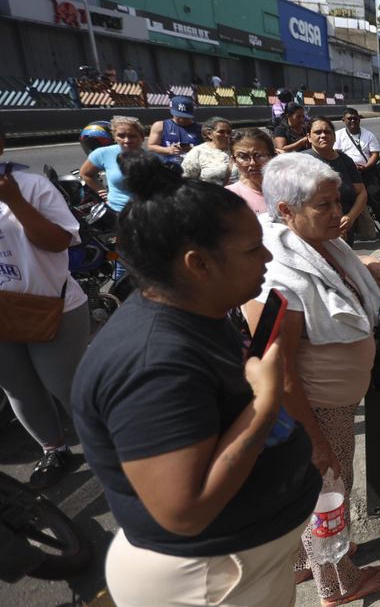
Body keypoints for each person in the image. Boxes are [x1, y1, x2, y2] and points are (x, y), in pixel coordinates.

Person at [71, 152, 321, 607]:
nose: (268, 256)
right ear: (198, 264)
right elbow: (184, 512)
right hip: (207, 583)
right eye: (252, 250)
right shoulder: (153, 365)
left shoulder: (198, 313)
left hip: (237, 571)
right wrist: (265, 403)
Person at [245, 154, 380, 606]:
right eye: (325, 205)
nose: (339, 213)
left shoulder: (316, 243)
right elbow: (277, 370)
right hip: (314, 411)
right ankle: (338, 584)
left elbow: (335, 274)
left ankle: (301, 561)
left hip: (333, 403)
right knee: (329, 490)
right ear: (285, 211)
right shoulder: (277, 280)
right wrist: (315, 442)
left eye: (338, 201)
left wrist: (370, 266)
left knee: (314, 491)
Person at [0, 124, 89, 489]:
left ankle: (109, 448)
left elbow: (58, 242)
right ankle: (54, 449)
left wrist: (15, 202)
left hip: (52, 307)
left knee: (66, 386)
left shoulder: (32, 186)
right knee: (18, 388)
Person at [302, 117, 367, 243]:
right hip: (314, 231)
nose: (323, 135)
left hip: (344, 228)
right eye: (317, 132)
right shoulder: (301, 161)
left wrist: (350, 217)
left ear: (334, 137)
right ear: (309, 137)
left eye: (327, 132)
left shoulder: (345, 160)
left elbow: (361, 192)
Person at [333, 107, 380, 239]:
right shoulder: (338, 135)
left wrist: (366, 166)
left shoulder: (368, 135)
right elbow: (335, 153)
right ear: (343, 120)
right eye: (349, 119)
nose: (352, 121)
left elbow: (374, 154)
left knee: (375, 194)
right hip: (347, 173)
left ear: (359, 119)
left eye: (355, 118)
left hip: (366, 170)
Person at [78, 115, 145, 213]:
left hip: (147, 213)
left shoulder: (153, 159)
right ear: (114, 137)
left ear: (142, 137)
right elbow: (85, 174)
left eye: (132, 136)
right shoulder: (103, 153)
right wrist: (101, 191)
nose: (126, 140)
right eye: (121, 136)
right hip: (117, 212)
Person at [226, 128, 277, 214]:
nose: (252, 163)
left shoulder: (288, 188)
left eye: (260, 155)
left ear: (272, 156)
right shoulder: (230, 196)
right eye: (243, 157)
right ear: (234, 160)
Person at [147, 96, 204, 171]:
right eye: (179, 115)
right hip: (167, 168)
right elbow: (151, 146)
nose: (182, 119)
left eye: (185, 116)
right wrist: (168, 150)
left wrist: (192, 149)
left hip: (192, 169)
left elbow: (210, 150)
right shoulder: (160, 126)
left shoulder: (201, 129)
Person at [181, 116, 234, 185]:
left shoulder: (236, 149)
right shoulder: (198, 152)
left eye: (229, 132)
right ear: (209, 134)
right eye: (221, 132)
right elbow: (186, 179)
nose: (226, 135)